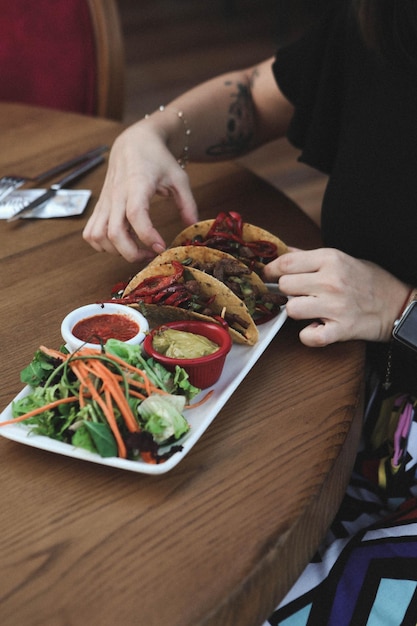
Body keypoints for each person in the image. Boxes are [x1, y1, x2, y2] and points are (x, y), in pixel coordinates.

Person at [84, 0, 417, 623]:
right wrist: (151, 134)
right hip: (348, 411)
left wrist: (401, 307)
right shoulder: (385, 20)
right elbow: (260, 95)